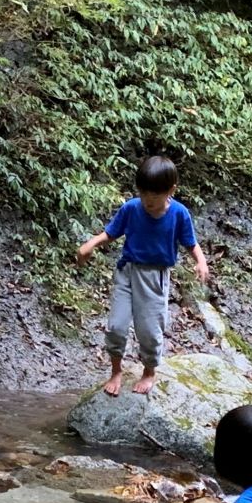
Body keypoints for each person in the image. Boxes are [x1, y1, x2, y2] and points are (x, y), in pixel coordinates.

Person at [74, 155, 211, 397]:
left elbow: (190, 243)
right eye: (144, 194)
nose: (148, 201)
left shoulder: (179, 213)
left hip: (155, 277)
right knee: (116, 325)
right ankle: (116, 370)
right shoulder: (131, 208)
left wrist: (201, 261)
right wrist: (90, 244)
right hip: (128, 271)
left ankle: (149, 371)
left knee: (149, 329)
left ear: (171, 190)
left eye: (154, 196)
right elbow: (111, 232)